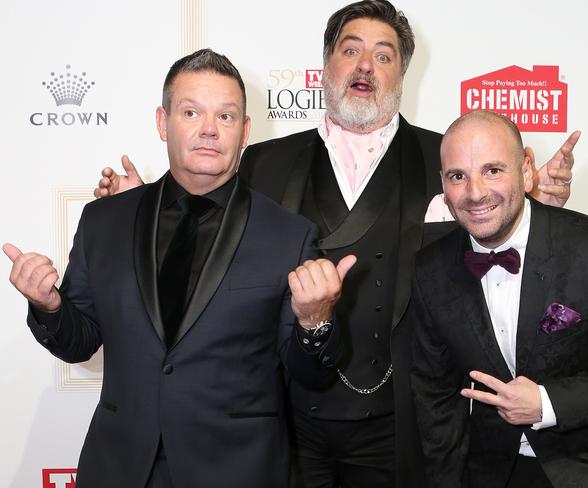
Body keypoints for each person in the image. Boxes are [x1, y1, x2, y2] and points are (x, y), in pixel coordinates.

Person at [92, 2, 579, 486]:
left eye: (384, 55)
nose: (366, 65)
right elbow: (202, 236)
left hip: (405, 418)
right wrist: (144, 213)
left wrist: (529, 201)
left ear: (403, 73)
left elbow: (494, 230)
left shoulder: (447, 157)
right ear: (326, 65)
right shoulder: (261, 161)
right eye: (351, 50)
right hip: (284, 418)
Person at [4, 49, 357, 488]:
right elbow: (80, 342)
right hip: (120, 466)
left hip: (236, 470)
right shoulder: (105, 220)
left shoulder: (288, 236)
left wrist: (316, 321)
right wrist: (49, 305)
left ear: (245, 131)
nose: (210, 129)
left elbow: (311, 375)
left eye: (226, 117)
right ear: (162, 121)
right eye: (191, 112)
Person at [409, 109, 588, 488]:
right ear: (443, 183)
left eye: (493, 170)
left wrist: (547, 403)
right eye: (458, 176)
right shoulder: (429, 269)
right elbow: (435, 397)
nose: (475, 193)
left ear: (525, 169)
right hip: (491, 471)